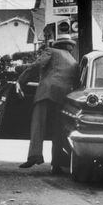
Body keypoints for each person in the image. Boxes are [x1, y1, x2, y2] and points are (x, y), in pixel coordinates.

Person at [16, 34, 78, 174]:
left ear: (57, 44)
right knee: (58, 130)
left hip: (47, 92)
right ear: (70, 46)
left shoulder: (51, 51)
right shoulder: (73, 61)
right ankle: (56, 164)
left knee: (38, 124)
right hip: (63, 97)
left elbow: (37, 65)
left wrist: (21, 80)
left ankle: (34, 155)